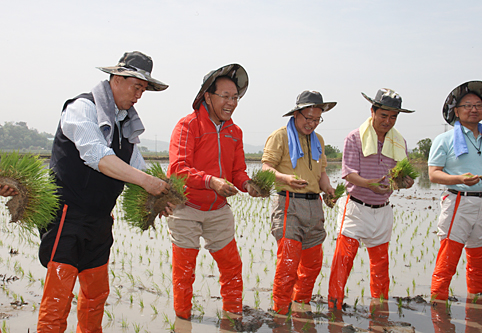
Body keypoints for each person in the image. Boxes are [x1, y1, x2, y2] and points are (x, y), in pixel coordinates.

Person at [37, 51, 172, 332]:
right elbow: (96, 155)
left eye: (143, 90)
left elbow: (138, 169)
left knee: (96, 294)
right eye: (137, 87)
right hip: (67, 216)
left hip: (100, 221)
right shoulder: (82, 109)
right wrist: (147, 183)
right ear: (118, 79)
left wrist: (159, 197)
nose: (139, 95)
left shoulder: (125, 125)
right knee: (58, 297)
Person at [167, 63, 261, 319]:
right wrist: (211, 181)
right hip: (186, 208)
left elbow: (238, 171)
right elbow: (177, 168)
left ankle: (234, 316)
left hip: (218, 209)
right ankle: (183, 319)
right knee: (184, 270)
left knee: (232, 265)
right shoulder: (188, 126)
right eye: (226, 96)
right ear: (207, 96)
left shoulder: (234, 132)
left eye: (235, 97)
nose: (231, 102)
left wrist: (247, 185)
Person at [328, 88, 415, 310]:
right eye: (384, 115)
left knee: (381, 263)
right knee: (343, 260)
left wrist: (405, 182)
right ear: (373, 111)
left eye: (393, 117)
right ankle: (334, 307)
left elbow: (401, 176)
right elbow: (348, 173)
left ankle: (380, 309)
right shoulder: (355, 138)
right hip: (356, 206)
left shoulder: (399, 142)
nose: (388, 121)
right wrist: (369, 184)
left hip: (383, 209)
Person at [261, 90, 337, 314]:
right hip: (289, 204)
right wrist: (285, 179)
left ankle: (301, 307)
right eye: (308, 118)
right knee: (288, 263)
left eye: (317, 119)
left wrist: (329, 189)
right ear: (296, 114)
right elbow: (266, 168)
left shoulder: (318, 140)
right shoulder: (280, 136)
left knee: (312, 265)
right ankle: (281, 312)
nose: (312, 123)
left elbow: (321, 174)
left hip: (314, 206)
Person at [428, 80, 482, 301]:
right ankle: (438, 305)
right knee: (448, 258)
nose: (474, 109)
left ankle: (476, 310)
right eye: (467, 105)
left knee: (479, 260)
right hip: (459, 200)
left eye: (478, 105)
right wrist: (459, 179)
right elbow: (433, 174)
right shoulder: (445, 139)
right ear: (456, 111)